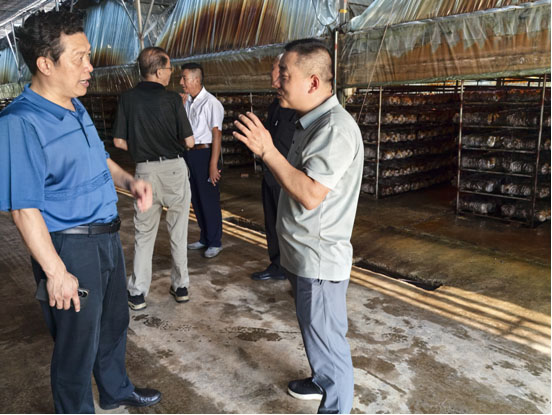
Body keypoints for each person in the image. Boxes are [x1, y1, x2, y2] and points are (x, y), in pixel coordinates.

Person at [0, 9, 161, 413]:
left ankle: (115, 389)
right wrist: (56, 273)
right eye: (80, 58)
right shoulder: (20, 122)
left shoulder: (75, 105)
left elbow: (99, 159)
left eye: (88, 55)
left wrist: (128, 181)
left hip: (106, 236)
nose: (90, 66)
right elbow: (23, 208)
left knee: (113, 324)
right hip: (70, 246)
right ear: (45, 64)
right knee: (77, 343)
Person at [234, 38, 363, 414]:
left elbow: (309, 194)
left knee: (329, 342)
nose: (276, 82)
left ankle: (335, 402)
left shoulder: (334, 129)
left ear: (313, 82)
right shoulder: (310, 122)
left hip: (318, 258)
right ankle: (320, 377)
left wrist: (267, 150)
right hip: (301, 252)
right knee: (314, 330)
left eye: (284, 75)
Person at [113, 47, 195, 310]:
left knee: (144, 234)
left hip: (145, 172)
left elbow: (118, 141)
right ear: (159, 72)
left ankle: (137, 293)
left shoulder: (127, 99)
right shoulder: (172, 100)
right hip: (174, 170)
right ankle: (181, 287)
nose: (171, 73)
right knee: (178, 232)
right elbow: (190, 142)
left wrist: (141, 148)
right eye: (169, 69)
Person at [251, 54, 297, 281]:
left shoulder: (299, 110)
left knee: (290, 224)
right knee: (273, 222)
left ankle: (293, 269)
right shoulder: (275, 106)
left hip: (288, 177)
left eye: (277, 71)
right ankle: (277, 264)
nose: (273, 79)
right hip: (270, 174)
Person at [179, 63, 224, 258]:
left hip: (206, 154)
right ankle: (205, 237)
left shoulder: (211, 103)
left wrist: (213, 165)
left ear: (196, 80)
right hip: (190, 154)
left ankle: (215, 241)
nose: (181, 82)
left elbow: (217, 135)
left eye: (184, 78)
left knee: (209, 199)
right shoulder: (187, 102)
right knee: (196, 198)